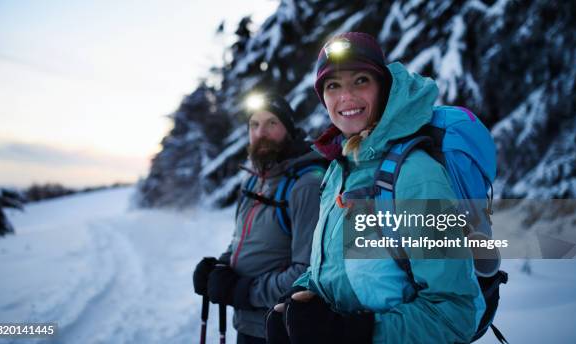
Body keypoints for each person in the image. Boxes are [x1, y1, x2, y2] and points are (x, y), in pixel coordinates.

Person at [266, 32, 485, 344]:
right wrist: (295, 297)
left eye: (360, 80)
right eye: (333, 85)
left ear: (383, 87)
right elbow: (332, 268)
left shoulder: (416, 175)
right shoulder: (339, 171)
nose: (346, 97)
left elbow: (454, 314)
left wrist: (351, 333)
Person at [193, 93, 325, 343]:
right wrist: (219, 269)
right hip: (247, 324)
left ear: (289, 129)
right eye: (254, 124)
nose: (261, 132)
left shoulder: (305, 185)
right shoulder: (253, 179)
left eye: (271, 123)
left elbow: (307, 272)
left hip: (281, 327)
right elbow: (239, 240)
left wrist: (244, 291)